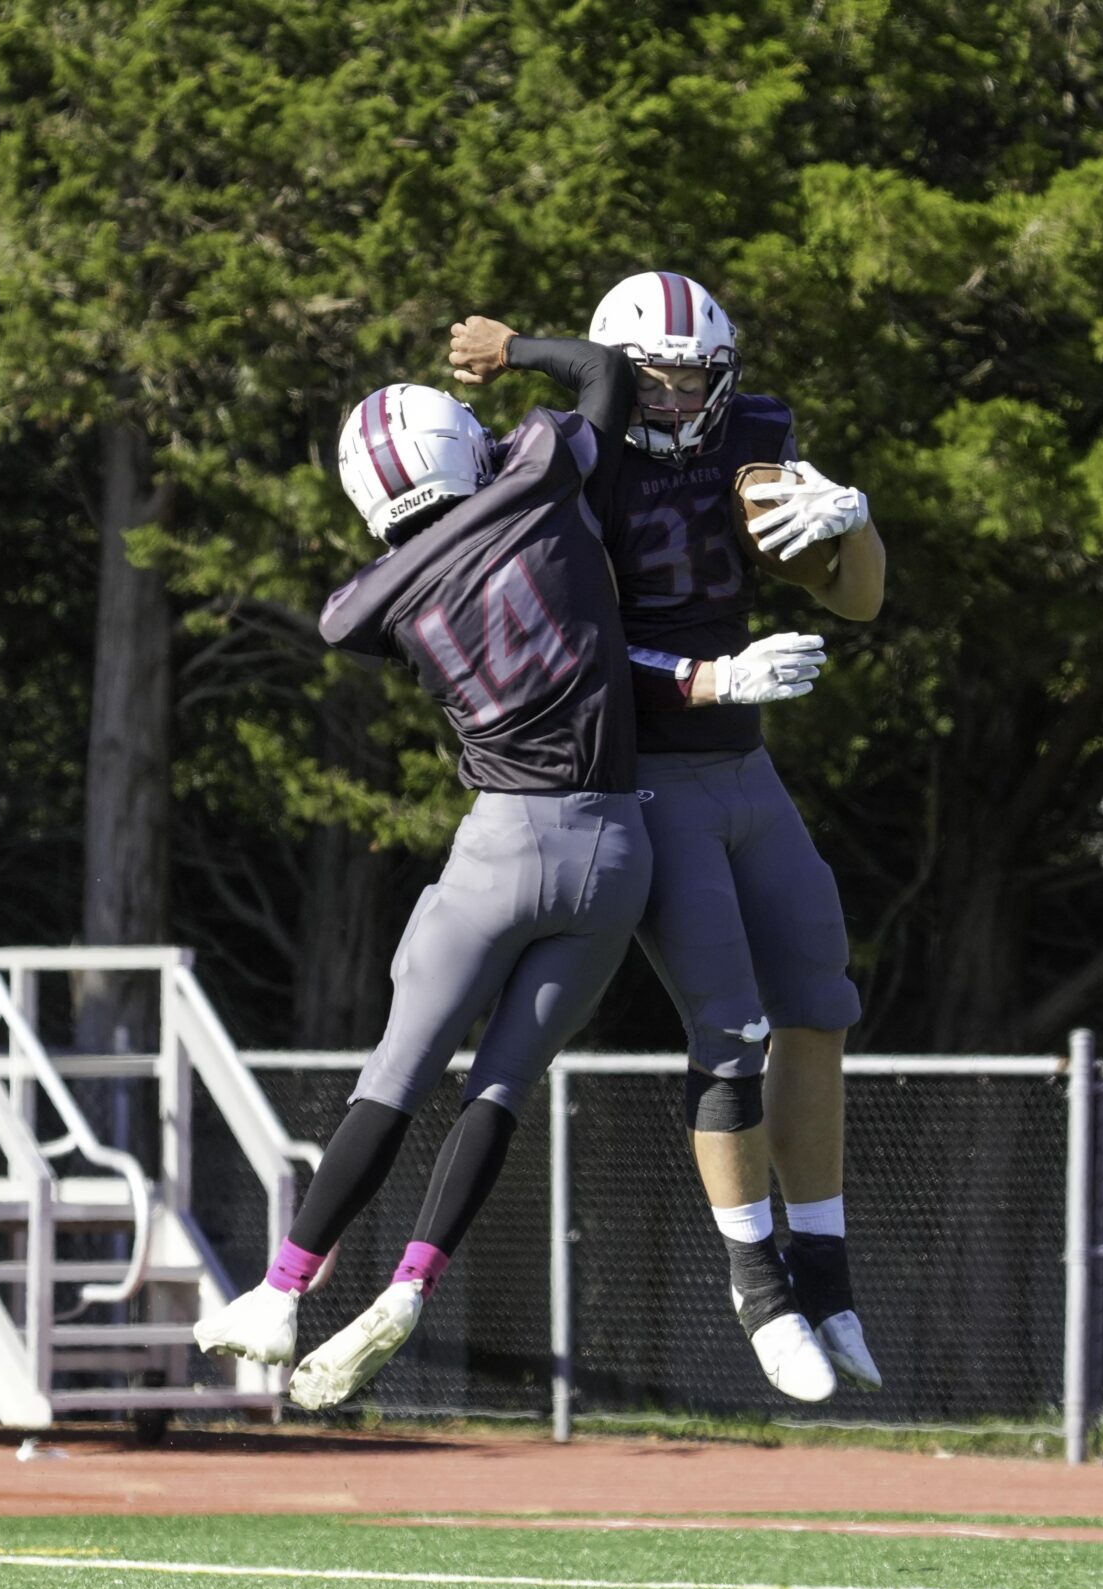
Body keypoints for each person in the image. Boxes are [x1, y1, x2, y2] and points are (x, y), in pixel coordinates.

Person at [193, 338, 827, 1410]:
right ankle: (408, 1291)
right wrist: (513, 353)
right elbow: (607, 386)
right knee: (501, 1086)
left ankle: (281, 1287)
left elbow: (338, 618)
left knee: (395, 1076)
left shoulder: (378, 597)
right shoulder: (537, 472)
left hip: (501, 844)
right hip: (614, 849)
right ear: (466, 451)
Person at [448, 272, 887, 1401]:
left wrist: (855, 521)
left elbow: (857, 604)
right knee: (729, 1027)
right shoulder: (567, 457)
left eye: (696, 371)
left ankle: (826, 1272)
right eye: (657, 372)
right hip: (644, 775)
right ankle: (757, 1287)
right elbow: (570, 649)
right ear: (619, 370)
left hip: (746, 766)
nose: (681, 391)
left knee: (819, 1002)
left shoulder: (751, 436)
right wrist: (707, 674)